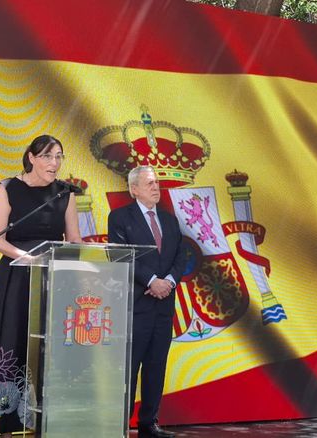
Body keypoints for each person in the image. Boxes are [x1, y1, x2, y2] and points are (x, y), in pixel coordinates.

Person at [0, 135, 81, 437]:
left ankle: (42, 426)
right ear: (31, 158)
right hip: (16, 278)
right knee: (10, 342)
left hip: (52, 280)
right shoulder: (8, 188)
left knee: (46, 350)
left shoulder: (66, 193)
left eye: (59, 156)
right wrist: (27, 258)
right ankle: (5, 427)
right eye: (48, 156)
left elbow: (74, 240)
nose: (54, 163)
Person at [107, 166, 187, 438]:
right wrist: (152, 280)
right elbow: (120, 256)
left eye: (157, 183)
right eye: (150, 183)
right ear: (134, 189)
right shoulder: (119, 218)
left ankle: (148, 423)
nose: (156, 187)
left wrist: (169, 282)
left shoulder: (170, 221)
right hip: (134, 306)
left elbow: (180, 257)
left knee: (156, 365)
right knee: (129, 366)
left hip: (164, 306)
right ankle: (120, 423)